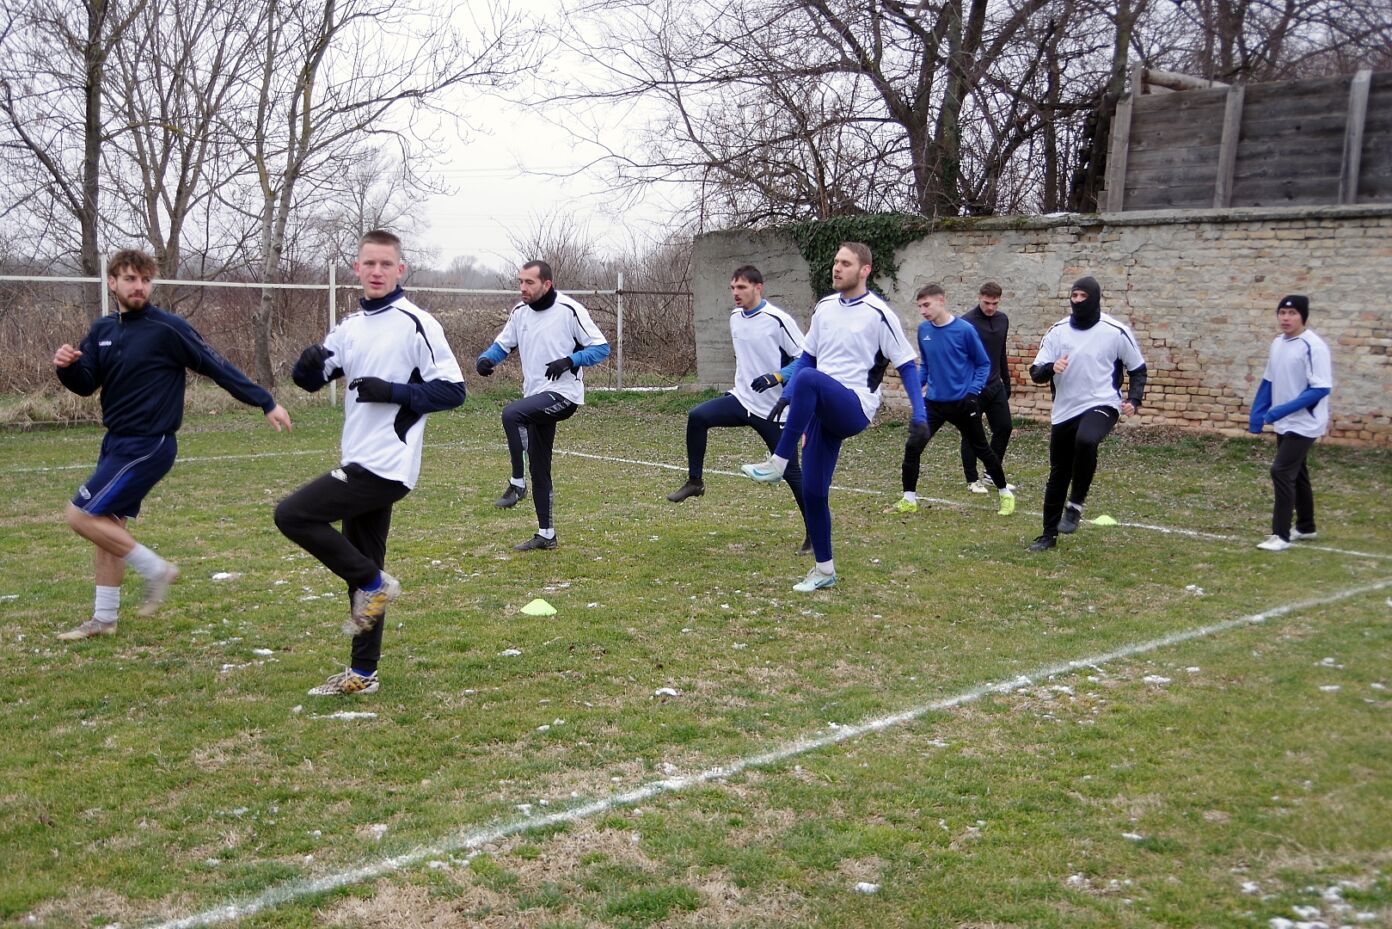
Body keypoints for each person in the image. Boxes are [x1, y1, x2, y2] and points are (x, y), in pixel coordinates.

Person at [53, 249, 292, 641]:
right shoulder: (102, 330)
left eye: (145, 280)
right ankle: (104, 620)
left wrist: (264, 401)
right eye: (130, 279)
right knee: (106, 527)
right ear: (112, 282)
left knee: (79, 515)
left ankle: (157, 570)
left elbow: (216, 365)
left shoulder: (167, 328)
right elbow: (85, 383)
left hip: (149, 444)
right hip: (116, 443)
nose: (139, 287)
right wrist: (66, 367)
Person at [275, 230, 465, 696]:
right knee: (362, 565)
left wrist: (393, 391)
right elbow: (312, 380)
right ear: (356, 269)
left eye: (386, 264)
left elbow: (453, 391)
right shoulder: (349, 326)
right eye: (369, 264)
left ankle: (373, 584)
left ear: (400, 269)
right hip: (358, 457)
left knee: (293, 515)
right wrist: (305, 366)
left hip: (388, 464)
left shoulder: (417, 323)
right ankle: (363, 674)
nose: (377, 272)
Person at [740, 242, 927, 591]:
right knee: (813, 491)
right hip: (819, 407)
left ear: (865, 270)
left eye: (846, 263)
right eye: (836, 262)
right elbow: (808, 358)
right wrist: (790, 396)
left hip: (854, 407)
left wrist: (920, 414)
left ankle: (779, 461)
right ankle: (824, 571)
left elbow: (906, 364)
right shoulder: (824, 307)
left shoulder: (878, 313)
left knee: (810, 380)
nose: (837, 268)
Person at [666, 265, 812, 552]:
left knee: (791, 472)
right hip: (742, 400)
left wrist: (777, 376)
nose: (736, 293)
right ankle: (695, 482)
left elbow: (806, 359)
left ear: (759, 287)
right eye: (733, 287)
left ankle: (815, 533)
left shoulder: (778, 320)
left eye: (742, 287)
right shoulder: (735, 318)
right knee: (698, 417)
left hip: (773, 410)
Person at [475, 260, 610, 551]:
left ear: (546, 284)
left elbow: (602, 348)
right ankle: (546, 535)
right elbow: (503, 345)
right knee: (540, 467)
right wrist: (486, 359)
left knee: (511, 414)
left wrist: (570, 360)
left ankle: (517, 484)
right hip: (535, 397)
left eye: (529, 282)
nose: (522, 288)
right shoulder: (520, 312)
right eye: (520, 282)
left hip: (564, 395)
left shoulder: (569, 310)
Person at [1027, 276, 1147, 552]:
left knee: (1086, 440)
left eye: (1083, 296)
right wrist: (1051, 368)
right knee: (1058, 473)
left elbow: (1138, 369)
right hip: (1064, 410)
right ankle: (1048, 535)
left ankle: (1075, 504)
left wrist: (1134, 399)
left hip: (1103, 404)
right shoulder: (1057, 332)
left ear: (1094, 298)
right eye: (1074, 296)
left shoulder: (1115, 331)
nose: (1078, 301)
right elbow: (1035, 372)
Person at [895, 283, 1015, 517]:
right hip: (934, 404)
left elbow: (983, 364)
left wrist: (973, 392)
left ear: (941, 301)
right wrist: (915, 388)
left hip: (962, 403)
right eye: (920, 306)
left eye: (926, 305)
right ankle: (908, 499)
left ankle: (1004, 494)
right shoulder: (923, 330)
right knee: (912, 447)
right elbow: (926, 364)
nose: (923, 311)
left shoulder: (965, 330)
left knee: (982, 449)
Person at [1248, 295, 1332, 552]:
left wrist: (1281, 410)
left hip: (1305, 423)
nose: (1286, 318)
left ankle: (1280, 535)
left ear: (1303, 316)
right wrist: (1258, 413)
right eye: (1282, 313)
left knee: (1281, 471)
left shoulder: (1313, 346)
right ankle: (1306, 527)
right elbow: (1269, 380)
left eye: (1292, 313)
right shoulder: (1278, 343)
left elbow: (1321, 388)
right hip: (1285, 422)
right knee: (1298, 471)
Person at [958, 281, 1013, 494]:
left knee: (1004, 428)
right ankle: (972, 479)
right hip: (974, 387)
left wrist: (1006, 381)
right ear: (979, 297)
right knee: (971, 433)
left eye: (995, 303)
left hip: (995, 385)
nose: (991, 307)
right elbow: (960, 358)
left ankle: (992, 474)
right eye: (987, 303)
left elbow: (1001, 352)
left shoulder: (1002, 320)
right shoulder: (966, 323)